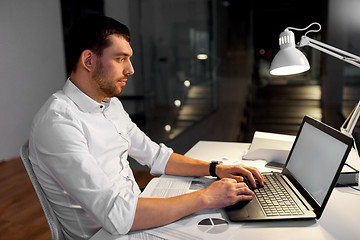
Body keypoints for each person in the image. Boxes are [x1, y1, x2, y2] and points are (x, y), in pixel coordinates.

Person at [29, 15, 264, 239]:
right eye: (120, 59)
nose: (130, 69)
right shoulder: (58, 123)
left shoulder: (110, 105)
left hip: (135, 215)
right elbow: (117, 215)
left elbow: (156, 156)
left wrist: (216, 169)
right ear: (89, 60)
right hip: (108, 233)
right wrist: (205, 197)